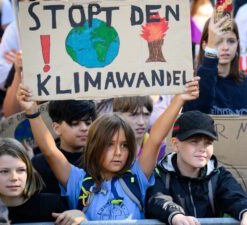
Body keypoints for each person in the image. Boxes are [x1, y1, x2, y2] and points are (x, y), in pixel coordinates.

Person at [16, 77, 200, 221]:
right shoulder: (78, 181)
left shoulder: (137, 176)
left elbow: (155, 139)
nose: (118, 152)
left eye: (124, 145)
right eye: (109, 145)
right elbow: (49, 151)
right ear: (95, 146)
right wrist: (32, 112)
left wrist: (179, 99)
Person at [145, 110, 247, 225]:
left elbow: (236, 196)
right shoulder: (159, 173)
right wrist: (175, 216)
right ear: (175, 144)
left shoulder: (219, 175)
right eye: (194, 142)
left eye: (208, 143)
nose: (202, 148)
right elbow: (157, 199)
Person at [0, 138, 86, 224]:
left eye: (21, 170)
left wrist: (81, 217)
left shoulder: (52, 205)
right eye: (4, 171)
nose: (14, 177)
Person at [183, 16, 247, 115]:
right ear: (205, 45)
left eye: (231, 41)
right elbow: (196, 114)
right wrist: (211, 54)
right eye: (218, 41)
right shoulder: (193, 85)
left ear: (238, 44)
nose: (225, 47)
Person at [32, 99, 96, 194]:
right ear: (56, 128)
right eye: (75, 123)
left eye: (88, 123)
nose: (84, 128)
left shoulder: (100, 160)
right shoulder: (39, 163)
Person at [112, 96, 166, 161]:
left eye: (146, 114)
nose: (141, 122)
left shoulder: (157, 147)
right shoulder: (105, 145)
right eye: (134, 115)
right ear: (118, 115)